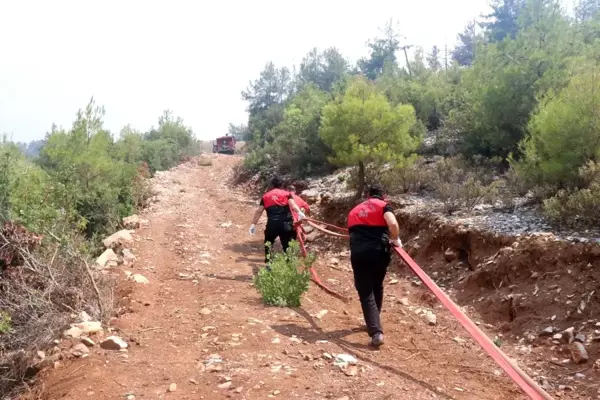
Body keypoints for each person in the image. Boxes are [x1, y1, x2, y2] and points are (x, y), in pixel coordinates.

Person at [347, 183, 401, 348]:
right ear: (383, 195)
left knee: (365, 291)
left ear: (367, 195)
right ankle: (374, 321)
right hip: (380, 252)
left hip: (359, 254)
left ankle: (376, 331)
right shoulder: (384, 206)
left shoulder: (354, 210)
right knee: (377, 285)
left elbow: (352, 232)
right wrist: (395, 237)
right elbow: (392, 224)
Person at [249, 177, 305, 263]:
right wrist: (300, 213)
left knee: (268, 243)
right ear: (282, 185)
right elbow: (293, 205)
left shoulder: (266, 196)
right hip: (286, 224)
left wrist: (253, 224)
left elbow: (259, 211)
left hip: (272, 225)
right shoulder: (286, 194)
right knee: (288, 246)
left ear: (272, 185)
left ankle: (269, 263)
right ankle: (289, 266)